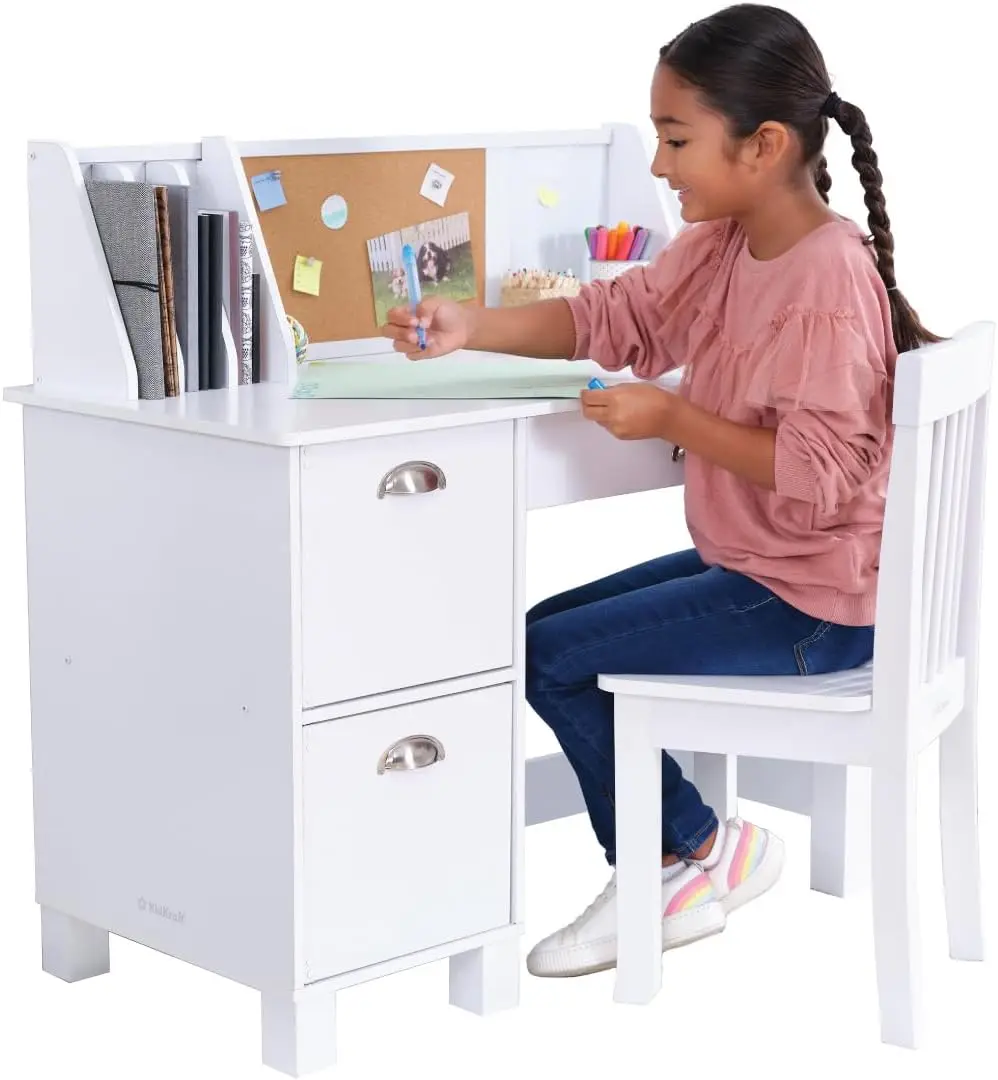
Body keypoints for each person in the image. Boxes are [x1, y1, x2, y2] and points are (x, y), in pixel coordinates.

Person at [381, 2, 941, 979]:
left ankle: (673, 859)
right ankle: (701, 844)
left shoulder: (820, 280)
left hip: (816, 608)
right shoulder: (729, 246)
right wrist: (472, 321)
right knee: (540, 632)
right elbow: (616, 314)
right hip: (775, 571)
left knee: (551, 656)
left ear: (761, 145)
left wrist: (673, 421)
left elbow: (820, 478)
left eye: (675, 138)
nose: (656, 164)